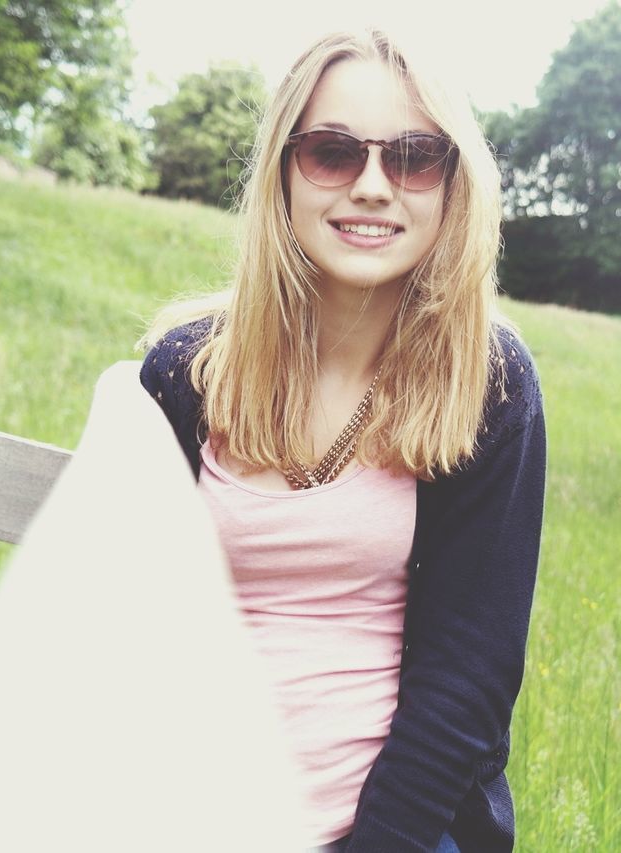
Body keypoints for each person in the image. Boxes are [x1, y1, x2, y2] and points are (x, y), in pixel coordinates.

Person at [138, 28, 545, 853]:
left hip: (393, 828)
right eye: (332, 152)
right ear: (283, 173)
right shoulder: (187, 371)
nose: (371, 186)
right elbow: (126, 629)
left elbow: (467, 680)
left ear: (451, 184)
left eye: (413, 158)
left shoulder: (488, 380)